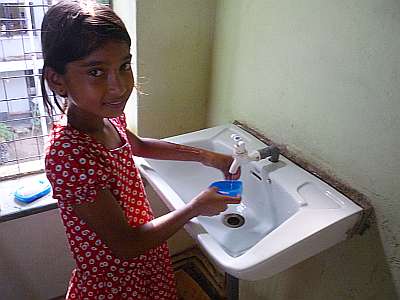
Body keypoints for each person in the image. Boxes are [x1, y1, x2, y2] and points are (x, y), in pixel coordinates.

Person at [41, 1, 240, 299]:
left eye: (124, 66)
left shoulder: (107, 117)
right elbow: (125, 244)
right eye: (96, 72)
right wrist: (195, 207)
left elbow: (139, 146)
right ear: (57, 80)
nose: (119, 87)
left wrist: (207, 157)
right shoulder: (68, 154)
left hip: (147, 256)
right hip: (116, 279)